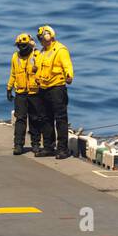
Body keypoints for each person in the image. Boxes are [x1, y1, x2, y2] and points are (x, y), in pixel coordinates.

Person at [35, 25, 74, 159]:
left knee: (60, 119)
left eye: (41, 38)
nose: (40, 40)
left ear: (48, 36)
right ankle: (48, 147)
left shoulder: (60, 50)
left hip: (57, 88)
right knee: (45, 118)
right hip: (43, 88)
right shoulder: (42, 52)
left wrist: (69, 75)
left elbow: (67, 65)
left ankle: (63, 149)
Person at [7, 32, 43, 155]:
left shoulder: (37, 55)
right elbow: (13, 74)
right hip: (20, 92)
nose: (21, 48)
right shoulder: (15, 57)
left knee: (35, 119)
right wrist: (9, 88)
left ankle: (36, 144)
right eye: (19, 45)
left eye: (24, 45)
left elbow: (43, 71)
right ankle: (18, 145)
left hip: (34, 92)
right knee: (20, 119)